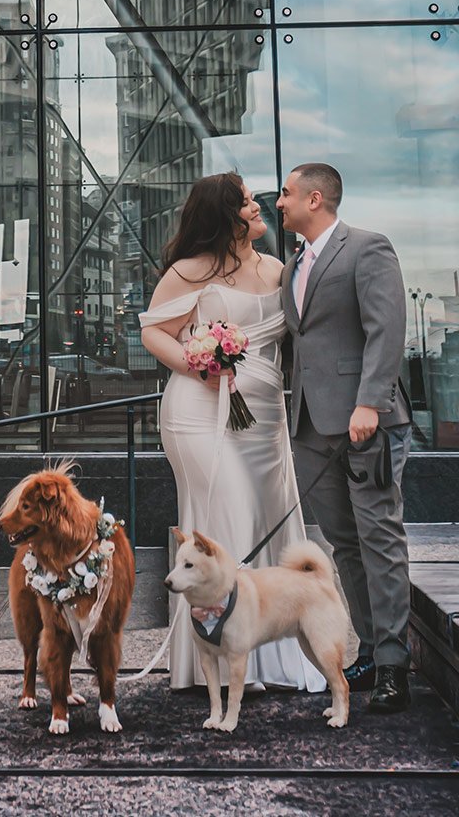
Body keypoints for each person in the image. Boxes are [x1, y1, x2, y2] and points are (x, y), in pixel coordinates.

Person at [138, 173, 325, 695]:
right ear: (227, 216)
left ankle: (270, 659)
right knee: (229, 513)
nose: (260, 208)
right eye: (248, 204)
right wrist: (198, 364)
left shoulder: (279, 270)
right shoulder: (189, 271)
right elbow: (153, 329)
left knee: (268, 516)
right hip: (198, 411)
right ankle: (216, 660)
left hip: (264, 415)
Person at [277, 162, 414, 713]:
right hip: (310, 427)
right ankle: (368, 653)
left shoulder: (367, 248)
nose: (279, 202)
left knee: (379, 539)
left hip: (366, 424)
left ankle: (394, 666)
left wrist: (369, 402)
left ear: (315, 198)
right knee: (344, 543)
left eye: (286, 193)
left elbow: (387, 328)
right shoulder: (293, 265)